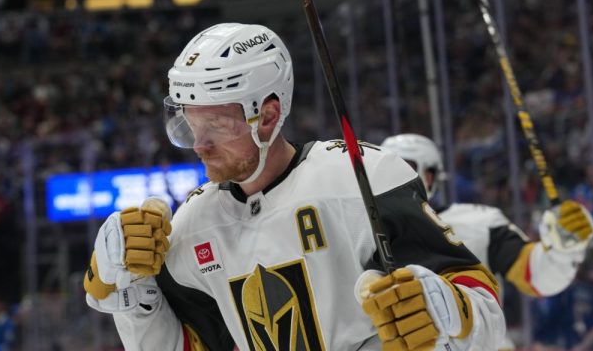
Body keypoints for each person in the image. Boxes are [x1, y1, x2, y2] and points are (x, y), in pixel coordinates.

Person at [83, 23, 506, 351]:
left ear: (267, 116)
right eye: (190, 125)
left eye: (217, 125)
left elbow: (483, 308)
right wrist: (131, 293)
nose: (199, 145)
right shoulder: (194, 224)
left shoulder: (360, 179)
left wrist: (452, 311)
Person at [380, 134, 593, 299]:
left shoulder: (480, 223)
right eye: (386, 171)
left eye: (407, 168)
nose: (397, 179)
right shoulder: (359, 231)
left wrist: (563, 250)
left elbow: (536, 276)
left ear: (431, 175)